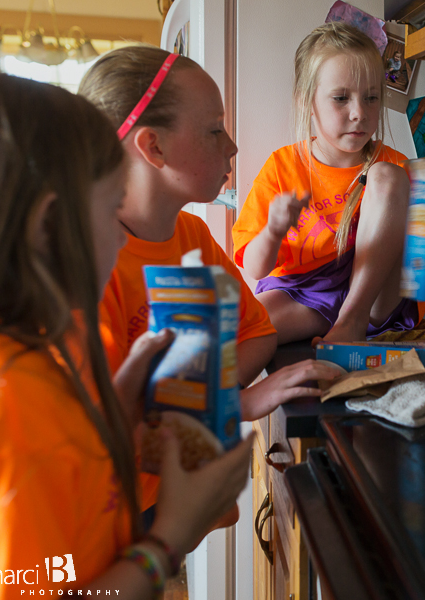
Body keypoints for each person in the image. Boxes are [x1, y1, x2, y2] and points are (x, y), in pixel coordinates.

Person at [0, 69, 251, 598]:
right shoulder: (11, 408)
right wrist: (169, 541)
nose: (121, 240)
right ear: (50, 226)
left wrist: (120, 404)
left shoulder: (26, 359)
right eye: (109, 207)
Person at [78, 46, 338, 521]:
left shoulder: (192, 236)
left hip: (170, 501)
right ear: (153, 147)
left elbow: (258, 334)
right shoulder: (93, 267)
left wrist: (195, 401)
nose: (233, 147)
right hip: (108, 521)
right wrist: (234, 403)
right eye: (215, 130)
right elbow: (107, 432)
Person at [232, 22, 425, 345]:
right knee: (240, 334)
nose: (359, 113)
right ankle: (338, 327)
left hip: (376, 299)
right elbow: (255, 268)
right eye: (340, 98)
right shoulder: (282, 165)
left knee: (386, 176)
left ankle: (351, 320)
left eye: (371, 98)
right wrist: (273, 231)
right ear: (306, 101)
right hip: (304, 294)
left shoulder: (397, 166)